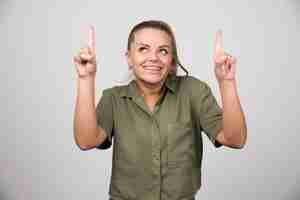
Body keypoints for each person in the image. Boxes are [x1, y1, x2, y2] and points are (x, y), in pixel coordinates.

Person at [73, 20, 247, 200]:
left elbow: (235, 139)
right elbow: (86, 141)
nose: (153, 58)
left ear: (172, 60)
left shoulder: (194, 91)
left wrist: (227, 82)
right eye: (143, 49)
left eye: (163, 50)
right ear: (129, 58)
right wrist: (86, 78)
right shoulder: (113, 99)